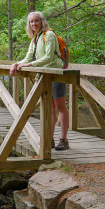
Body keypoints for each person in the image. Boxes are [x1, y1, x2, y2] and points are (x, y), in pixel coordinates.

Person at [9, 11, 70, 150]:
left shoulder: (49, 35)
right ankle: (50, 139)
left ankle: (64, 139)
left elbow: (48, 57)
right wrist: (16, 64)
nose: (33, 24)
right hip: (44, 75)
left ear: (42, 21)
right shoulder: (35, 38)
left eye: (36, 21)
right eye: (31, 22)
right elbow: (28, 57)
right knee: (50, 108)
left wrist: (30, 65)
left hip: (56, 74)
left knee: (60, 106)